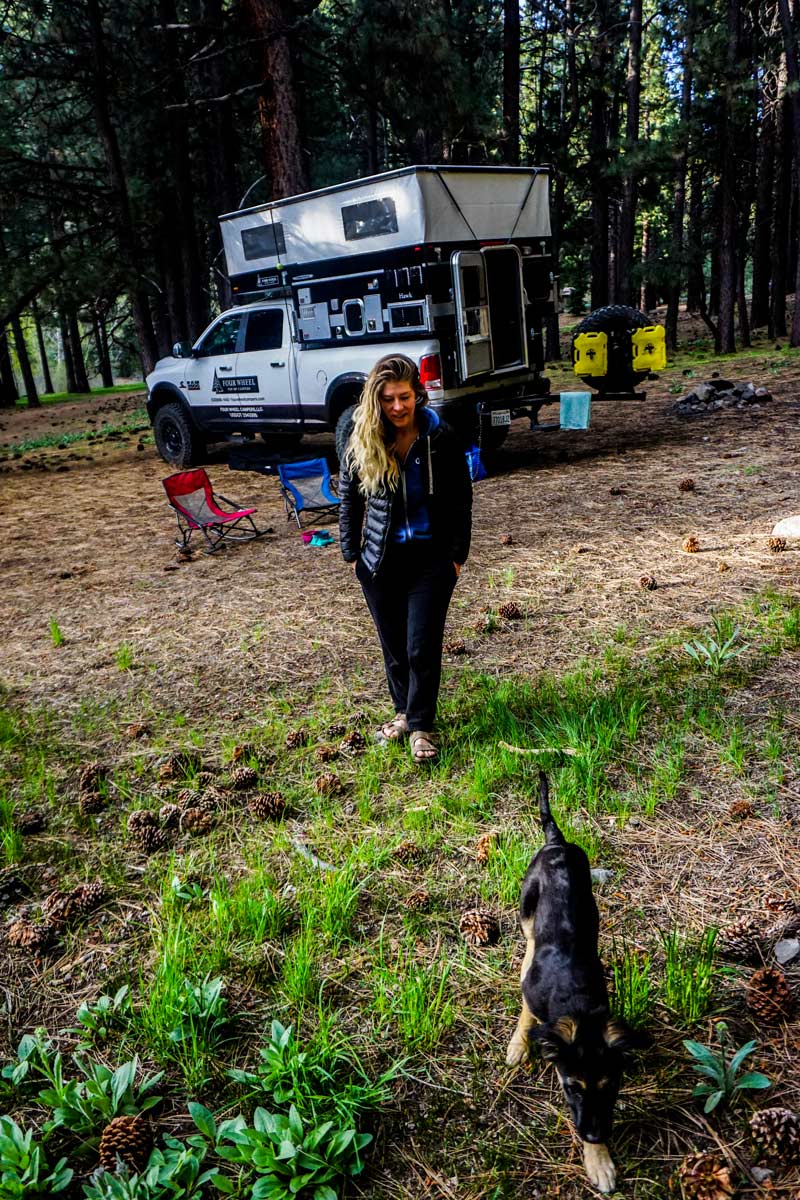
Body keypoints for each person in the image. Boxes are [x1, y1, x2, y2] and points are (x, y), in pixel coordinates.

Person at [339, 354, 472, 764]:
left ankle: (420, 726)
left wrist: (456, 556)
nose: (397, 407)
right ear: (376, 399)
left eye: (404, 397)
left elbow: (461, 497)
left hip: (431, 558)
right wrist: (351, 552)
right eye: (388, 399)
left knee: (421, 644)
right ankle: (403, 712)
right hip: (381, 559)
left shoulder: (439, 435)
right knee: (394, 645)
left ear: (418, 394)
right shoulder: (361, 435)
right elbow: (349, 493)